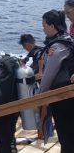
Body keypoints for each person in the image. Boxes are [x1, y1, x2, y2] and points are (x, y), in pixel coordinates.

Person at [38, 9, 74, 152]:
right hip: (69, 93)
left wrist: (38, 98)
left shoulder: (57, 46)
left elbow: (49, 75)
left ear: (52, 26)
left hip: (63, 97)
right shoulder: (69, 39)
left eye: (44, 25)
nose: (43, 28)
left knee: (65, 134)